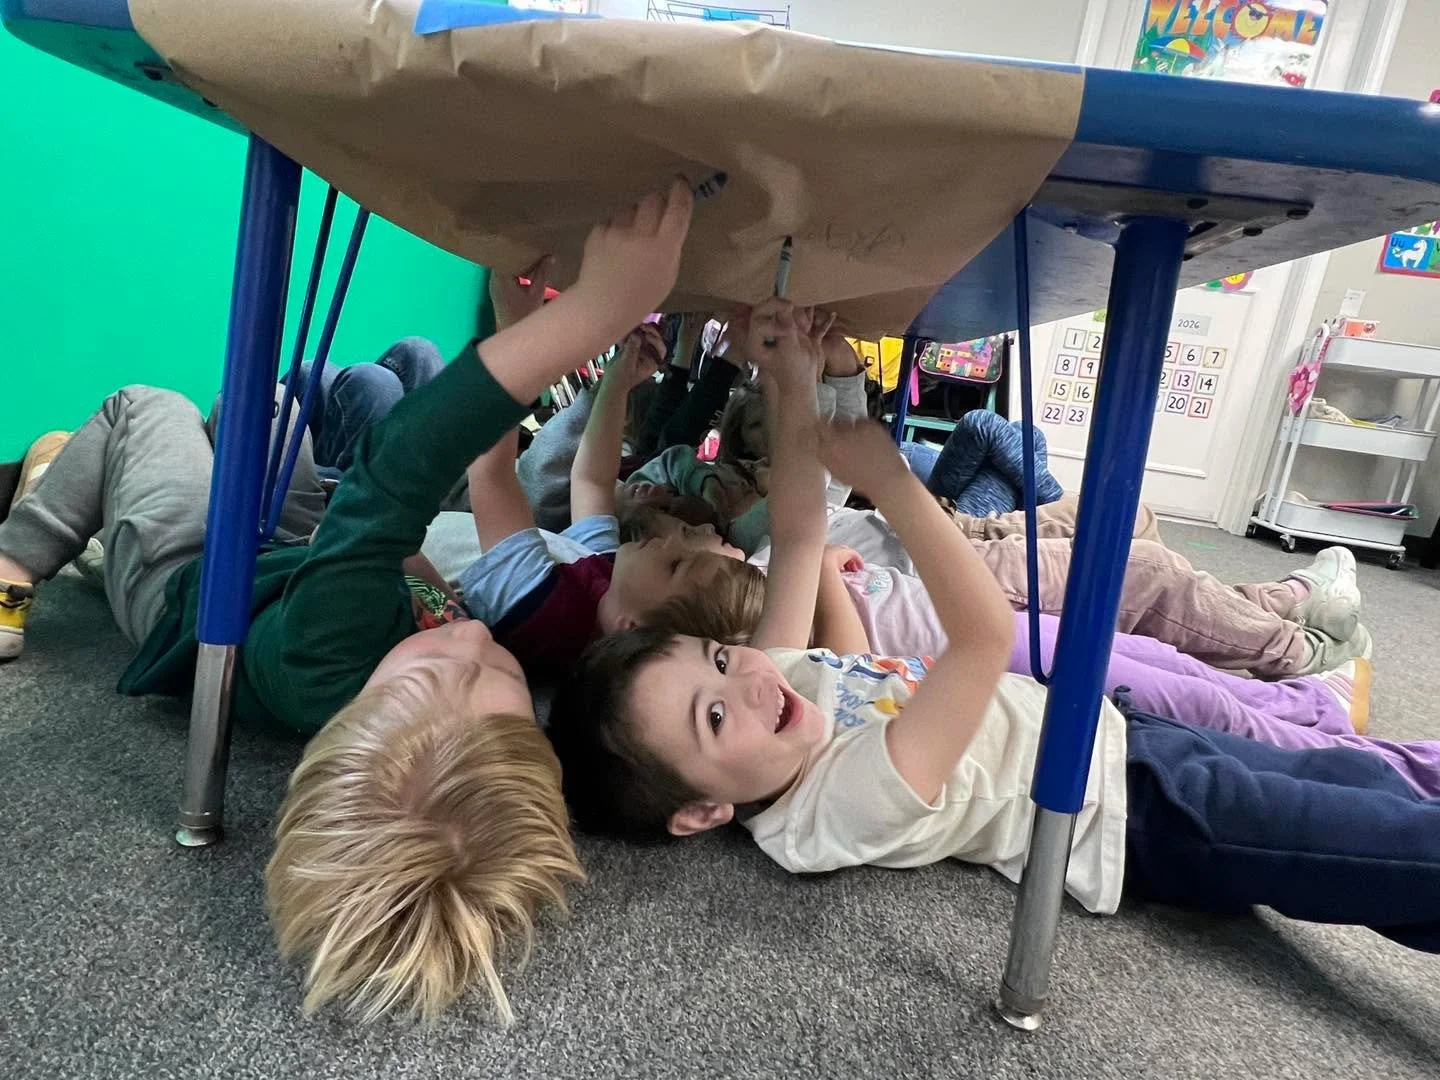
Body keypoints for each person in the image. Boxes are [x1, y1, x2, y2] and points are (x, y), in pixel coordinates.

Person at [0, 179, 698, 1021]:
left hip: (189, 584)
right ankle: (105, 481)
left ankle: (16, 557)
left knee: (146, 405)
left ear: (350, 726)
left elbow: (394, 472)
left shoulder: (327, 663)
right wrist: (514, 334)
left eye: (434, 673)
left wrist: (590, 316)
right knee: (264, 406)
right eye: (507, 688)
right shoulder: (436, 681)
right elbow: (409, 548)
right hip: (302, 551)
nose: (474, 647)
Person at [550, 387, 1440, 953]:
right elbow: (978, 638)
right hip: (1141, 815)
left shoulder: (784, 695)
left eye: (718, 656)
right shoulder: (827, 813)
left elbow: (798, 533)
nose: (745, 682)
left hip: (1120, 736)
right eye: (712, 717)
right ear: (704, 812)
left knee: (1365, 802)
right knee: (1387, 848)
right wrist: (893, 484)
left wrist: (790, 373)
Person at [460, 309, 766, 678]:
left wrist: (517, 331)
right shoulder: (612, 583)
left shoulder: (548, 617)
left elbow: (491, 475)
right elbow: (592, 481)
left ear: (634, 629)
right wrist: (619, 381)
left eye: (675, 565)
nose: (669, 542)